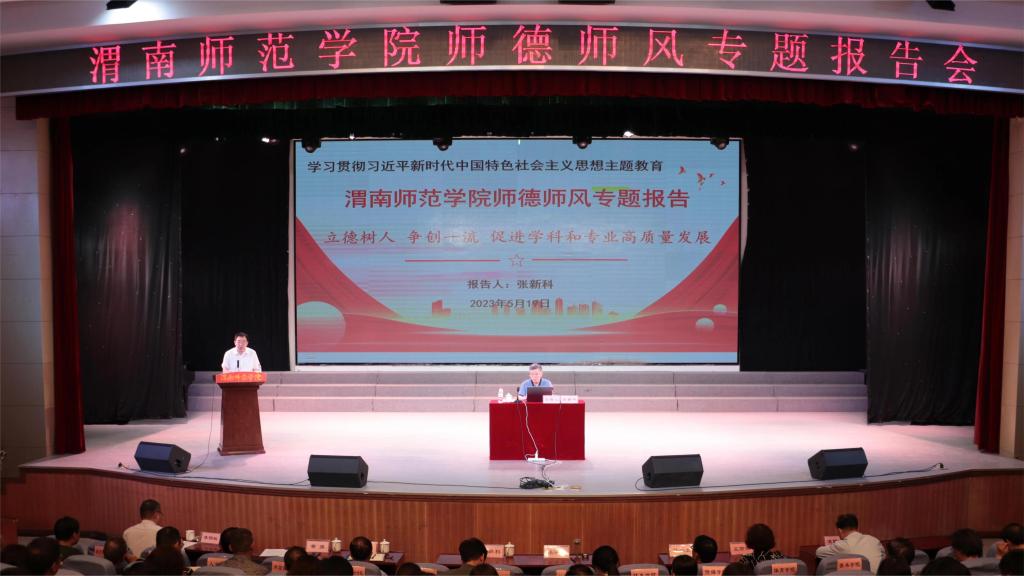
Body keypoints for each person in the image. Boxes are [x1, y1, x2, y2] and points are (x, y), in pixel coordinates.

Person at [816, 514, 884, 573]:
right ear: (857, 527)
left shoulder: (843, 545)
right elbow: (883, 557)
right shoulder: (874, 540)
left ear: (840, 530)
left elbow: (818, 552)